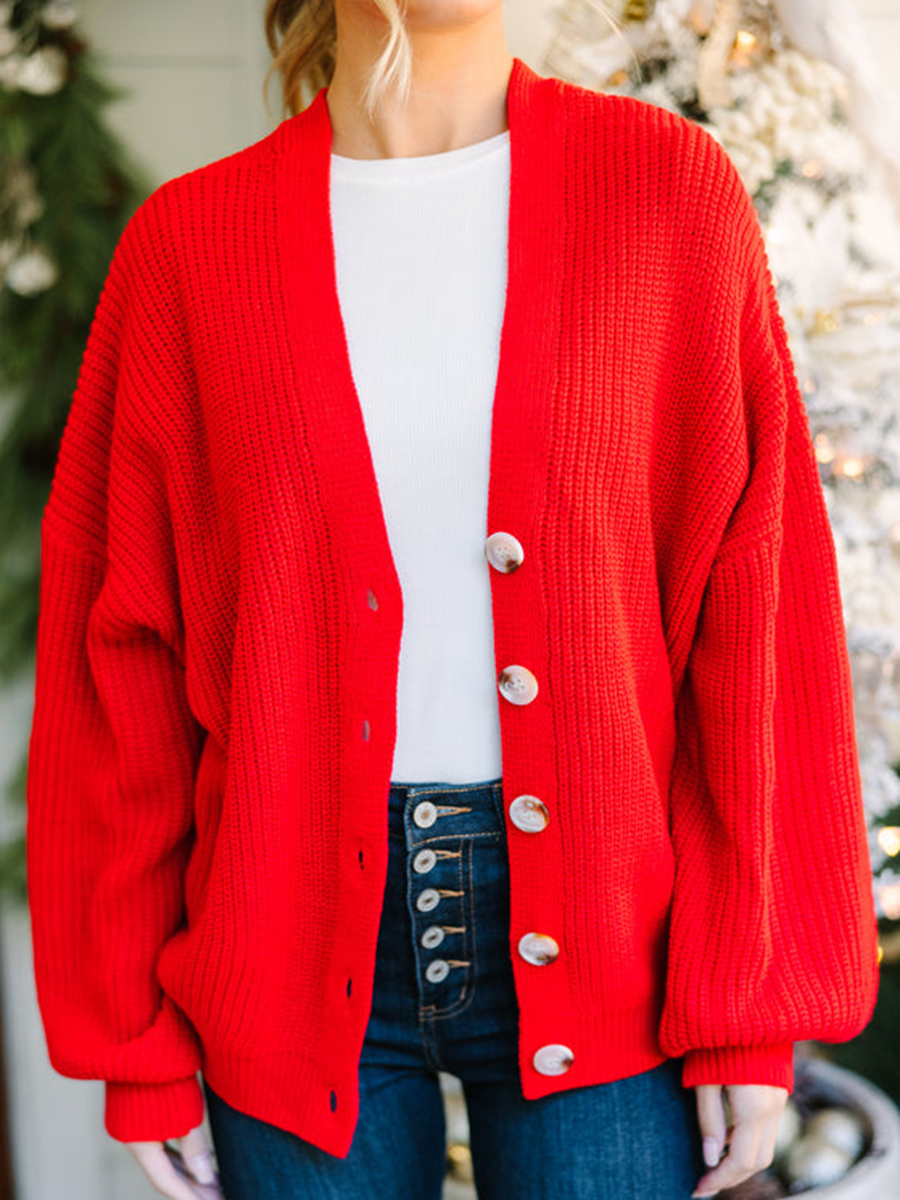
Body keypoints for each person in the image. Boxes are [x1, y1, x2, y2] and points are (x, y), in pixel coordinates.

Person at [25, 1, 881, 1198]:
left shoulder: (664, 193)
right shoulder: (189, 248)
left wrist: (750, 1003)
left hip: (612, 937)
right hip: (277, 937)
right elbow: (117, 662)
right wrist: (133, 1045)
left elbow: (758, 615)